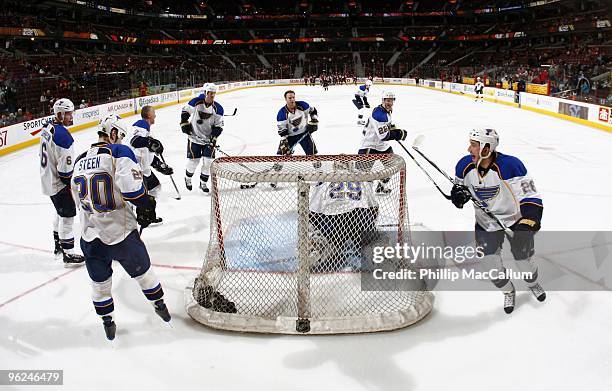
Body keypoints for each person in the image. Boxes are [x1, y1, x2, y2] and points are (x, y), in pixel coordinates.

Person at [71, 115, 171, 340]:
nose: (122, 140)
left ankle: (108, 323)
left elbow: (76, 200)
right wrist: (146, 204)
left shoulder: (78, 160)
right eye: (121, 136)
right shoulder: (118, 152)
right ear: (113, 133)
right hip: (121, 233)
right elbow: (133, 191)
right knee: (145, 275)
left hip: (89, 236)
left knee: (100, 286)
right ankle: (160, 306)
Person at [451, 128, 545, 314]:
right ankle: (508, 291)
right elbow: (458, 189)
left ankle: (532, 283)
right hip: (485, 224)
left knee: (524, 261)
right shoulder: (464, 165)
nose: (469, 149)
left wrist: (527, 225)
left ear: (487, 148)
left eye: (474, 145)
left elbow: (531, 197)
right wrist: (458, 197)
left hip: (514, 221)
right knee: (490, 265)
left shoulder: (512, 165)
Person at [308, 160, 379, 272]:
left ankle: (320, 249)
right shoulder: (363, 177)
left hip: (334, 220)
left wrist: (316, 229)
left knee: (321, 237)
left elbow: (313, 211)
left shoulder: (326, 178)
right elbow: (373, 208)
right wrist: (371, 227)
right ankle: (371, 249)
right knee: (369, 240)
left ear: (335, 168)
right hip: (359, 217)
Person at [39, 98, 85, 266]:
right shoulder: (63, 136)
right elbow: (65, 172)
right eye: (68, 114)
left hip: (47, 179)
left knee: (60, 212)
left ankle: (58, 245)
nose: (71, 117)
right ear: (59, 114)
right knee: (67, 215)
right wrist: (72, 185)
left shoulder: (47, 128)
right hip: (57, 183)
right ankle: (68, 253)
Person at [123, 106, 173, 221]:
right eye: (154, 113)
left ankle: (148, 214)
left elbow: (147, 154)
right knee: (139, 196)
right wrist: (150, 142)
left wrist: (160, 166)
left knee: (156, 187)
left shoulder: (147, 131)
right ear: (149, 115)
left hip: (144, 169)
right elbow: (135, 141)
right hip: (135, 170)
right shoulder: (141, 124)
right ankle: (140, 217)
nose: (155, 115)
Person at [357, 90, 407, 194]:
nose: (389, 103)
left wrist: (392, 128)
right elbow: (383, 136)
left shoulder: (385, 110)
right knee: (365, 174)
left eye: (391, 100)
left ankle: (381, 187)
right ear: (383, 100)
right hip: (369, 146)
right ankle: (363, 196)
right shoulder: (379, 114)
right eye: (387, 100)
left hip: (381, 146)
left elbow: (385, 127)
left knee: (391, 166)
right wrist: (398, 134)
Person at [180, 83, 224, 193]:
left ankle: (203, 183)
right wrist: (184, 124)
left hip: (208, 140)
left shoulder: (218, 109)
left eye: (214, 93)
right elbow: (185, 112)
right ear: (205, 93)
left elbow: (219, 126)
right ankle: (188, 178)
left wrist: (214, 137)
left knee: (208, 162)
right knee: (193, 161)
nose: (212, 95)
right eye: (210, 93)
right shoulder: (195, 103)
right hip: (194, 138)